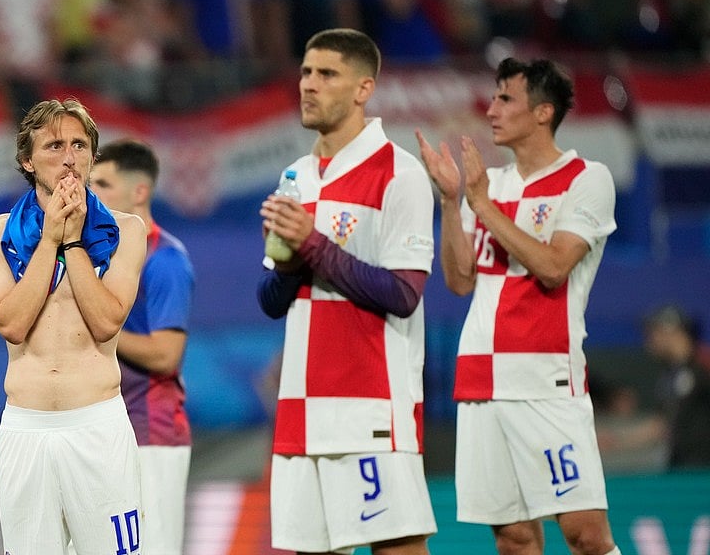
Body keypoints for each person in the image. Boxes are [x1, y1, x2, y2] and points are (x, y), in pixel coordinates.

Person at [416, 57, 621, 555]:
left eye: (506, 98)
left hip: (545, 380)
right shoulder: (489, 185)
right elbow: (460, 281)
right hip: (480, 380)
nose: (492, 110)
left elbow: (553, 267)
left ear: (543, 112)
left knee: (586, 535)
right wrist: (450, 200)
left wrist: (482, 204)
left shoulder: (585, 179)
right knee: (513, 540)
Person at [257, 28, 437, 555]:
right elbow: (270, 300)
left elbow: (403, 294)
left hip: (369, 405)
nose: (308, 85)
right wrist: (289, 260)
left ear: (364, 89)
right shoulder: (294, 177)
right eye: (306, 72)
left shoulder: (399, 174)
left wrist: (310, 244)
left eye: (326, 74)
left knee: (396, 549)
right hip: (299, 409)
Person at [0, 98, 147, 554]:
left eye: (78, 144)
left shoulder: (125, 231)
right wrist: (50, 238)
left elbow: (107, 321)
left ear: (93, 156)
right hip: (26, 430)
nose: (68, 157)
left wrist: (72, 239)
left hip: (97, 426)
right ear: (28, 161)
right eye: (53, 146)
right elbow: (11, 324)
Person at [90, 138, 195, 555]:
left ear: (139, 192)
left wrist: (96, 326)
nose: (89, 191)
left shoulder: (166, 261)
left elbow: (166, 355)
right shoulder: (98, 255)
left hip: (150, 434)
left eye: (102, 183)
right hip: (103, 430)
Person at [642, 305, 710, 469]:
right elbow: (661, 424)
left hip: (703, 468)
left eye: (654, 332)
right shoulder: (668, 375)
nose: (649, 340)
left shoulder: (703, 365)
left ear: (672, 332)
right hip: (682, 466)